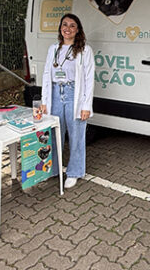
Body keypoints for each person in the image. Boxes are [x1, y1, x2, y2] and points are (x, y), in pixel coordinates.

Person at [41, 13, 95, 189]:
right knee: (54, 133)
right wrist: (44, 101)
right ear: (60, 28)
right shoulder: (53, 49)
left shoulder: (85, 50)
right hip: (56, 93)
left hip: (74, 94)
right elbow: (47, 74)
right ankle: (53, 169)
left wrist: (86, 105)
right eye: (65, 24)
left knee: (76, 136)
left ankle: (74, 172)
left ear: (78, 29)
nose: (68, 28)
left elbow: (88, 79)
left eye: (72, 25)